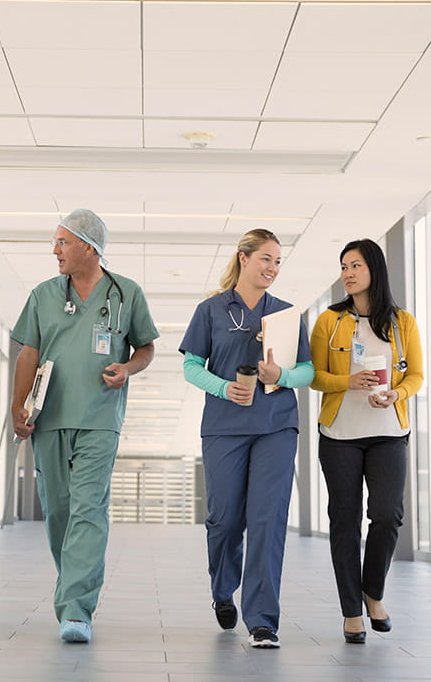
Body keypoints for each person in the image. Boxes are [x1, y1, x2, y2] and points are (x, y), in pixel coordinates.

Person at [10, 208, 158, 644]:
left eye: (62, 242)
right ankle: (73, 586)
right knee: (58, 511)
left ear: (89, 247)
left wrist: (128, 368)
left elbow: (146, 348)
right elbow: (27, 354)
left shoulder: (126, 293)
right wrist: (18, 407)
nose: (54, 250)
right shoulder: (43, 294)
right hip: (49, 416)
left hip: (99, 418)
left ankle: (76, 609)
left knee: (88, 509)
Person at [178, 228, 314, 649]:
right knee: (225, 520)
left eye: (277, 262)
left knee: (267, 520)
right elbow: (191, 367)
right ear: (243, 258)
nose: (272, 268)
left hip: (276, 424)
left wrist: (281, 376)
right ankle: (223, 589)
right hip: (224, 427)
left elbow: (306, 372)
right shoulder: (212, 310)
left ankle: (262, 620)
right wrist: (223, 388)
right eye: (265, 259)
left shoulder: (287, 315)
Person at [308, 239, 423, 644]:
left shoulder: (402, 322)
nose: (348, 273)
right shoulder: (329, 321)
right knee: (344, 521)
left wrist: (397, 394)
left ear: (374, 268)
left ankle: (373, 592)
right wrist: (348, 381)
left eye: (355, 265)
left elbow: (416, 376)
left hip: (389, 432)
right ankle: (351, 611)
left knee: (388, 515)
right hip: (339, 435)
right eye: (343, 267)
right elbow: (314, 376)